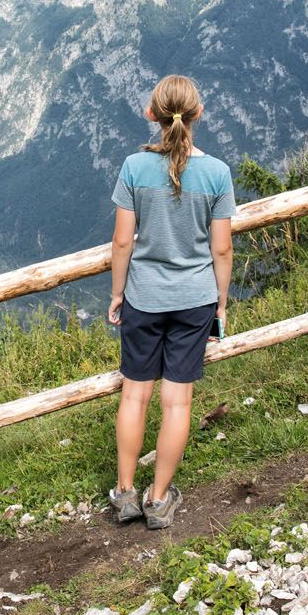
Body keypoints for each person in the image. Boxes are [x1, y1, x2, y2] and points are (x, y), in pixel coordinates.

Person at [106, 74, 235, 529]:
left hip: (144, 297)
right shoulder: (217, 173)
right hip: (195, 299)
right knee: (177, 402)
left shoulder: (134, 168)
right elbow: (221, 249)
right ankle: (159, 500)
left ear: (151, 115)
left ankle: (125, 494)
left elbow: (123, 242)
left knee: (135, 395)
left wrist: (119, 294)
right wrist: (219, 303)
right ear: (198, 114)